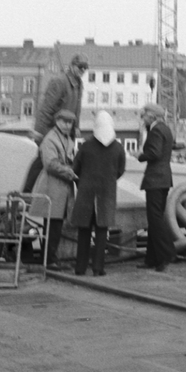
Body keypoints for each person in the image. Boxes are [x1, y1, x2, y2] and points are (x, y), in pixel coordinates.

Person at [70, 109, 125, 276]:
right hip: (106, 194)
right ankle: (98, 268)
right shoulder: (118, 148)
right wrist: (108, 181)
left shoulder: (86, 146)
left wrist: (82, 183)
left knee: (84, 232)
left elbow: (75, 169)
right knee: (102, 232)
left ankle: (80, 268)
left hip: (86, 193)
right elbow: (120, 170)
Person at [25, 54, 88, 191]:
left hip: (66, 132)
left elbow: (76, 109)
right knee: (43, 160)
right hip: (52, 131)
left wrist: (76, 127)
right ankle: (26, 193)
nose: (83, 70)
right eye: (80, 67)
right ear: (72, 66)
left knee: (55, 162)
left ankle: (44, 194)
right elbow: (46, 108)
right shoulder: (59, 82)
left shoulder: (78, 84)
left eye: (85, 67)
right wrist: (39, 132)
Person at [32, 107, 78, 269]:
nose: (67, 125)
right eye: (64, 122)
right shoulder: (51, 139)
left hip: (60, 188)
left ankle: (49, 258)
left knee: (55, 225)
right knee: (53, 225)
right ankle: (49, 260)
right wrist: (70, 172)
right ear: (57, 121)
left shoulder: (65, 138)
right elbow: (50, 164)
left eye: (70, 123)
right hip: (52, 187)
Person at [138, 103, 176, 271]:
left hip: (155, 179)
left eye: (144, 116)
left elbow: (154, 153)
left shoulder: (156, 131)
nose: (142, 119)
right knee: (156, 218)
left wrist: (140, 156)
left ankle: (166, 254)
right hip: (164, 179)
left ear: (152, 116)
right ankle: (152, 258)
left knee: (155, 219)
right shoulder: (166, 129)